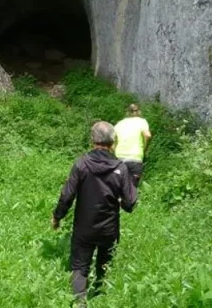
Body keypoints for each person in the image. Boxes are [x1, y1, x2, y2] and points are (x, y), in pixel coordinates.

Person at [52, 121, 138, 304]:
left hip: (84, 228)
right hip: (109, 229)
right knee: (104, 266)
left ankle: (80, 304)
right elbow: (130, 204)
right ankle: (100, 298)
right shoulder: (120, 168)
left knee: (79, 267)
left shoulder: (81, 164)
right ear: (113, 142)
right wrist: (123, 196)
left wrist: (57, 217)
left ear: (92, 140)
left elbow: (67, 195)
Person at [113, 104, 152, 186]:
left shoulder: (120, 123)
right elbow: (148, 135)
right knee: (132, 188)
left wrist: (114, 150)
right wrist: (145, 149)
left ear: (127, 113)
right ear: (139, 112)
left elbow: (111, 138)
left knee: (118, 186)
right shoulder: (142, 122)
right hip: (135, 159)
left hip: (119, 159)